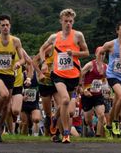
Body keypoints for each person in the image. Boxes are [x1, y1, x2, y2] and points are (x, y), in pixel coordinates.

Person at [37, 8, 89, 143]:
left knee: (65, 105)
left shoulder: (78, 36)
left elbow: (87, 53)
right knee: (65, 99)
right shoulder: (55, 37)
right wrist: (43, 63)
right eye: (66, 21)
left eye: (70, 21)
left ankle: (55, 118)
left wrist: (75, 53)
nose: (68, 24)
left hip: (73, 75)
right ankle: (66, 133)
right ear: (61, 21)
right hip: (58, 74)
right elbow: (42, 49)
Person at [79, 47, 107, 137]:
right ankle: (91, 127)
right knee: (88, 119)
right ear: (96, 54)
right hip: (87, 95)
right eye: (100, 54)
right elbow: (80, 74)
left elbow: (104, 80)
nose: (102, 56)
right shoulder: (90, 65)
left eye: (103, 54)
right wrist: (83, 89)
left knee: (101, 115)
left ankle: (98, 135)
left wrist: (106, 88)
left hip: (98, 95)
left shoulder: (106, 66)